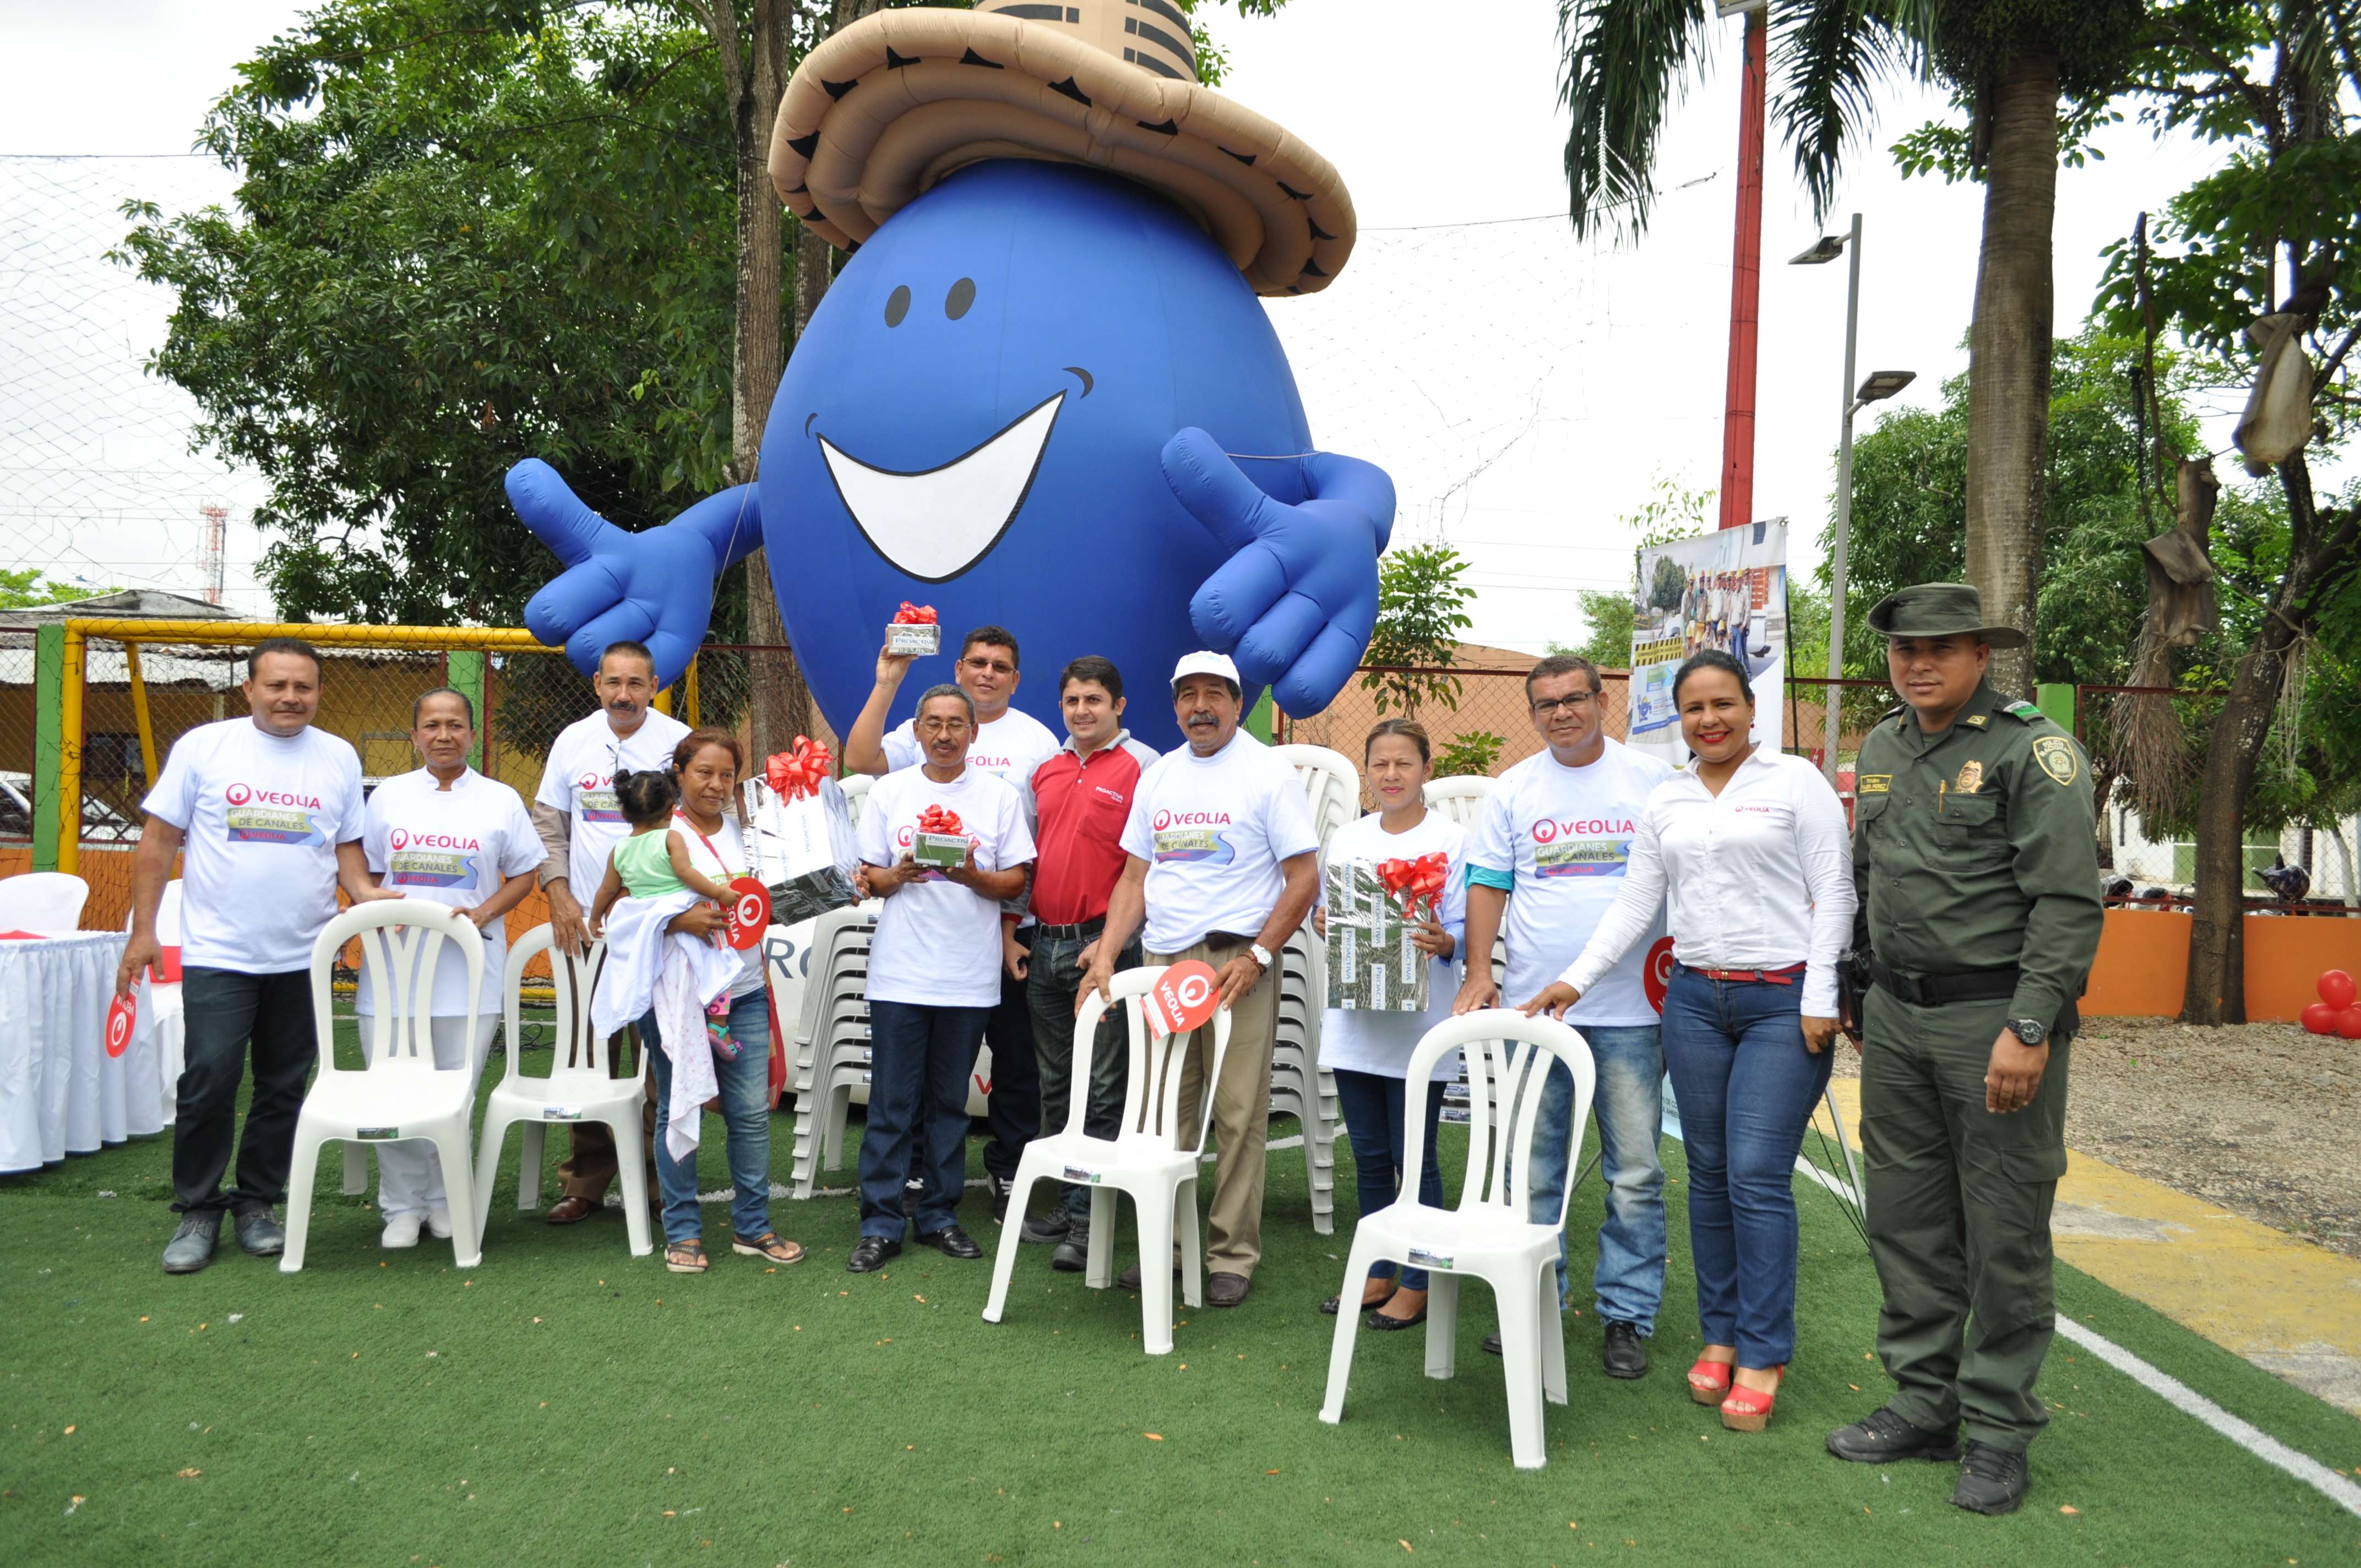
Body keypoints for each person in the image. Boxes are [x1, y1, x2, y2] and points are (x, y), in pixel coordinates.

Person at [1821, 584, 2101, 1517]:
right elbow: (1869, 877)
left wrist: (2029, 1027)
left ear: (1981, 653)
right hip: (1896, 1021)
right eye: (1904, 650)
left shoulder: (2032, 751)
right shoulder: (1884, 747)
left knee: (2003, 1231)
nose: (1917, 663)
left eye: (1939, 646)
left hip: (1993, 1019)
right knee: (1903, 1217)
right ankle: (1921, 1401)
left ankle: (1995, 1430)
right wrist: (1859, 984)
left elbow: (2065, 903)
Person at [1525, 651, 1853, 1430]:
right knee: (1705, 1175)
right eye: (1694, 708)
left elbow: (1835, 890)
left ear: (1750, 708)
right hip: (1695, 1003)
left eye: (1723, 704)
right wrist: (1577, 977)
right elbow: (1639, 899)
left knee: (1754, 1175)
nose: (1710, 720)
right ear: (1679, 718)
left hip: (1782, 1001)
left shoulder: (1794, 782)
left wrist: (1821, 996)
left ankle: (1765, 1351)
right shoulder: (1668, 797)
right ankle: (1721, 1336)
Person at [117, 637, 402, 1273]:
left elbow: (347, 850)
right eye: (277, 686)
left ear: (319, 692)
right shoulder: (204, 748)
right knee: (209, 1079)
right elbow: (159, 841)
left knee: (282, 1084)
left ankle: (257, 1203)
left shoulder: (337, 758)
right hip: (220, 952)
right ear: (250, 689)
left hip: (304, 954)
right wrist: (142, 932)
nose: (290, 698)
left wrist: (366, 895)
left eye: (303, 687)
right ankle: (197, 1207)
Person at [1453, 653, 1674, 1375]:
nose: (1561, 714)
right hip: (1535, 1012)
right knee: (1534, 1169)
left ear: (1602, 699)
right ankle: (1537, 1300)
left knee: (1635, 1171)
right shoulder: (1514, 790)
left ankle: (1626, 1317)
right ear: (1532, 714)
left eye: (1573, 699)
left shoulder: (1651, 780)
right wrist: (1482, 971)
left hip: (1633, 1011)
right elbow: (1487, 885)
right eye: (1546, 705)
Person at [1081, 651, 1320, 1308]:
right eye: (1187, 695)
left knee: (1238, 1113)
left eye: (1214, 694)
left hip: (1237, 964)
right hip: (1164, 963)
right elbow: (1135, 878)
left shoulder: (1267, 773)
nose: (1199, 707)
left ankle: (1230, 1255)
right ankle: (1171, 1245)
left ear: (1238, 705)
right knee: (1166, 1114)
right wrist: (1106, 952)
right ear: (1175, 704)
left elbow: (1304, 877)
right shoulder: (1158, 777)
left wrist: (1260, 956)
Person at [847, 624, 1062, 1224]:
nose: (945, 735)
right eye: (934, 726)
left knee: (960, 1096)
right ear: (918, 734)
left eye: (956, 727)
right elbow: (869, 874)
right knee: (893, 1102)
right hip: (903, 970)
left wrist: (973, 881)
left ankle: (944, 1214)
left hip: (986, 956)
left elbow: (1020, 873)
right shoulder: (892, 791)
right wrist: (899, 873)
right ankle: (882, 1220)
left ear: (974, 732)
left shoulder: (1014, 772)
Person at [601, 731, 803, 1274]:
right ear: (679, 773)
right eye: (703, 773)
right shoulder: (657, 831)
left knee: (750, 1114)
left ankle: (753, 1226)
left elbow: (763, 905)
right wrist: (674, 919)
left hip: (742, 992)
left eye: (726, 776)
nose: (715, 785)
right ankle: (684, 1232)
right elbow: (618, 911)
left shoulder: (750, 835)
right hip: (676, 999)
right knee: (677, 1104)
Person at [356, 687, 542, 1249]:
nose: (443, 734)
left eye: (455, 724)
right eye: (432, 724)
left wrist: (481, 912)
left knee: (454, 1093)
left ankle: (444, 1201)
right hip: (392, 974)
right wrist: (369, 897)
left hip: (471, 968)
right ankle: (401, 1208)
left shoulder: (500, 799)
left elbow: (524, 873)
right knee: (392, 1090)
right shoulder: (386, 798)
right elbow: (361, 870)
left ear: (472, 733)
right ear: (414, 735)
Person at [530, 640, 689, 1225]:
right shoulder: (573, 739)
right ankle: (588, 1180)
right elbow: (549, 824)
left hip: (657, 924)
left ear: (653, 685)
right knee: (588, 1052)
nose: (624, 694)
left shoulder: (678, 739)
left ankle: (656, 1176)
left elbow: (693, 824)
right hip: (587, 922)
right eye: (613, 682)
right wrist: (560, 894)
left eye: (636, 683)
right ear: (597, 683)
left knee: (660, 1055)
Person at [1314, 719, 1465, 1330]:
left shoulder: (1454, 840)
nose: (1392, 775)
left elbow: (1465, 935)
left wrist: (1443, 940)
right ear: (1367, 771)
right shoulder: (1347, 839)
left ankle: (1421, 1275)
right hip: (1356, 1021)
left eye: (1404, 763)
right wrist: (1328, 923)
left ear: (1426, 768)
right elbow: (1336, 915)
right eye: (1381, 765)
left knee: (1415, 1156)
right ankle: (1378, 1267)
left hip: (1421, 1028)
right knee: (1371, 1155)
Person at [1012, 655, 1159, 1271]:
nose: (1082, 711)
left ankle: (1087, 1218)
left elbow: (1149, 866)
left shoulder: (1144, 767)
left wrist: (1116, 939)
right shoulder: (1043, 770)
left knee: (1101, 1086)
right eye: (1072, 701)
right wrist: (1012, 931)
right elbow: (1026, 859)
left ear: (1118, 705)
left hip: (1106, 947)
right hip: (1045, 943)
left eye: (1094, 700)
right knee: (1055, 1083)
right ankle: (1068, 1201)